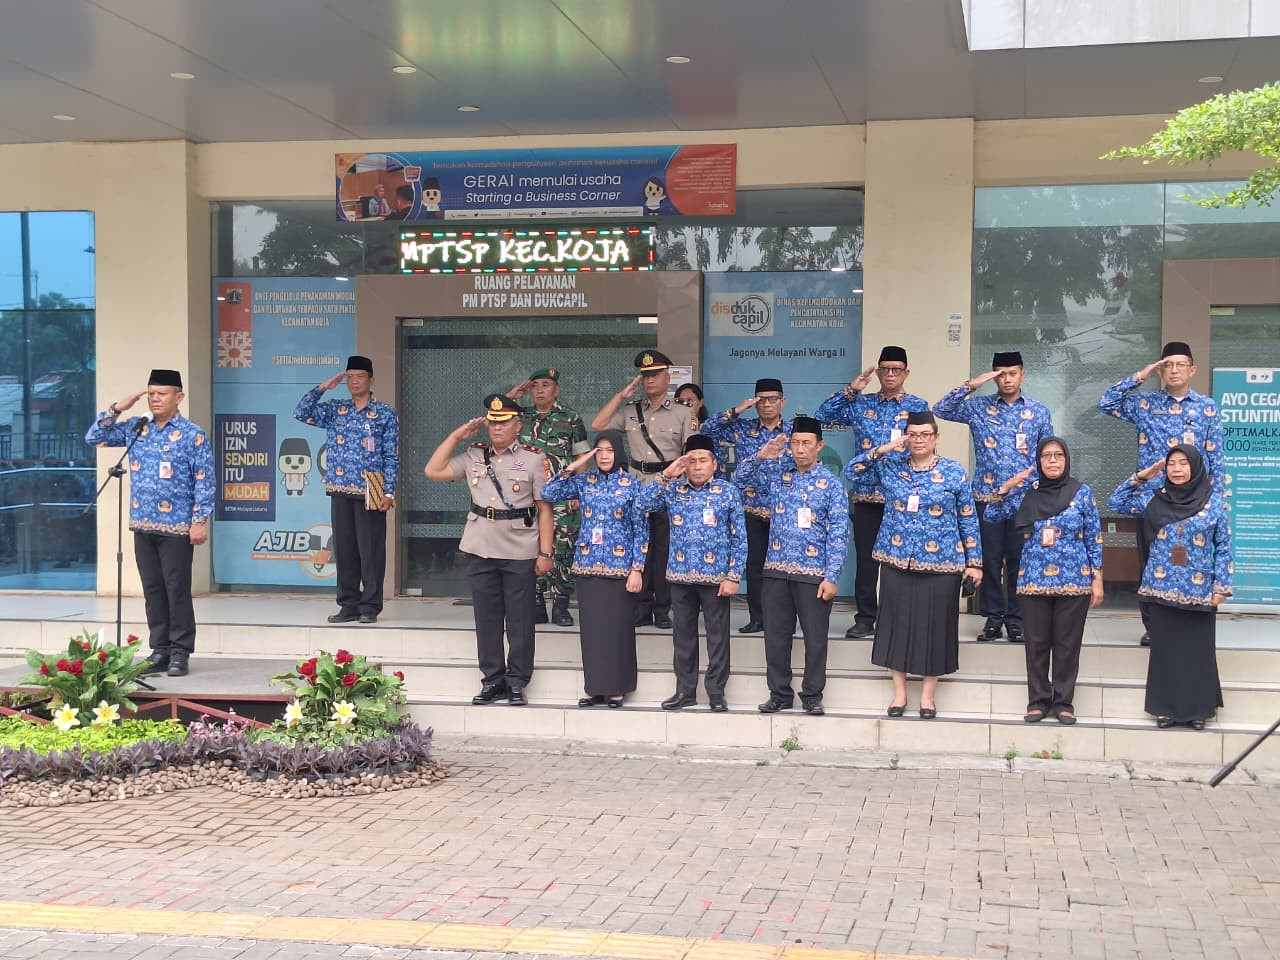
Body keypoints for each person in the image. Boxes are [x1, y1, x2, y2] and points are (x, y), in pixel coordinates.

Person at [845, 411, 982, 719]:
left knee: (936, 626)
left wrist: (975, 563)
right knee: (897, 624)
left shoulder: (953, 472)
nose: (918, 440)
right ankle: (899, 694)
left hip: (942, 563)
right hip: (897, 560)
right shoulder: (891, 468)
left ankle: (928, 696)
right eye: (912, 434)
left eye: (924, 434)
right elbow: (854, 471)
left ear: (935, 437)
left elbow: (968, 518)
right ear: (905, 437)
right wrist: (884, 449)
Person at [423, 394, 554, 707]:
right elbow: (433, 470)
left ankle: (517, 680)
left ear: (517, 425)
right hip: (480, 545)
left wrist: (546, 553)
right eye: (492, 422)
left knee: (520, 619)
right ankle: (492, 679)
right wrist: (457, 435)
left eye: (504, 422)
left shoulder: (534, 458)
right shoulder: (473, 455)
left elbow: (544, 509)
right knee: (487, 619)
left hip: (520, 547)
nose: (497, 427)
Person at [84, 369, 213, 677]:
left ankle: (180, 651)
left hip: (178, 527)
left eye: (163, 393)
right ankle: (160, 650)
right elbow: (94, 437)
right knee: (153, 589)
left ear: (178, 397)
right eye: (151, 393)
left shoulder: (193, 434)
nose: (155, 399)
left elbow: (205, 480)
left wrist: (199, 520)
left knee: (176, 589)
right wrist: (118, 408)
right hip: (142, 524)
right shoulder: (136, 428)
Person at [1098, 340, 1225, 646]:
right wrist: (1140, 376)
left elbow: (1216, 458)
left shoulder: (1206, 407)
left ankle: (1189, 617)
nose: (1174, 370)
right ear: (1160, 370)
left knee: (1193, 559)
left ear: (1192, 370)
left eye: (1181, 364)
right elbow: (1106, 402)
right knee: (1150, 564)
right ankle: (1154, 626)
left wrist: (1217, 501)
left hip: (1194, 503)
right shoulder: (1146, 404)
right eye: (1167, 365)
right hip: (1152, 500)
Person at [1108, 446, 1231, 730]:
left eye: (1183, 463)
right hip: (1159, 587)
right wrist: (1142, 476)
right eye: (1172, 464)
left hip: (1198, 588)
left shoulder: (1212, 502)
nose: (1176, 469)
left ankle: (1198, 710)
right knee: (1166, 650)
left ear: (1196, 467)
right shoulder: (1154, 498)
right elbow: (1116, 502)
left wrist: (1222, 585)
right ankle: (1166, 709)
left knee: (1197, 651)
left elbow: (1224, 545)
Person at [934, 351, 1054, 642]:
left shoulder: (1038, 411)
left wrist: (1044, 496)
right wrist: (973, 384)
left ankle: (1016, 619)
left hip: (1025, 500)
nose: (1007, 378)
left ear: (1023, 374)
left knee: (1018, 560)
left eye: (1012, 373)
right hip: (987, 497)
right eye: (1000, 373)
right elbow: (941, 409)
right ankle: (992, 618)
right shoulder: (978, 408)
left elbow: (1047, 453)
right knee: (988, 559)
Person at [733, 417, 849, 715]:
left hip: (813, 574)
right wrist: (761, 456)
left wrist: (832, 576)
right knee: (775, 637)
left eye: (806, 443)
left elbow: (838, 534)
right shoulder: (777, 476)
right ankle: (779, 694)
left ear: (819, 446)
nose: (800, 449)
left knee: (815, 639)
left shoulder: (832, 485)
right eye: (795, 443)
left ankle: (812, 695)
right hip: (776, 571)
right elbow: (739, 482)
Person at [817, 346, 929, 639]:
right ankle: (866, 617)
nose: (890, 374)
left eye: (896, 369)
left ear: (906, 373)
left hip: (902, 497)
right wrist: (850, 391)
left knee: (901, 560)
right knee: (866, 562)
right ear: (878, 372)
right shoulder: (860, 404)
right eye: (885, 369)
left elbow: (927, 448)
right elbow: (821, 416)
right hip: (866, 495)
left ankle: (898, 619)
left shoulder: (918, 406)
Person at [635, 435, 747, 711]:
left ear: (714, 463)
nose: (697, 466)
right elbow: (641, 504)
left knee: (717, 636)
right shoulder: (673, 491)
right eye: (692, 461)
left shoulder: (727, 492)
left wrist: (734, 576)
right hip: (680, 575)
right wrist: (666, 474)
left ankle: (716, 692)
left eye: (703, 460)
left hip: (716, 578)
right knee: (683, 635)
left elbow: (740, 538)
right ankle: (685, 690)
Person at [541, 430, 647, 707]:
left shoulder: (631, 485)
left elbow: (642, 530)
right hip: (587, 565)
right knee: (593, 630)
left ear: (619, 453)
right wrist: (574, 466)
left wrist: (637, 569)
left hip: (620, 567)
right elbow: (547, 492)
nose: (604, 455)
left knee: (617, 629)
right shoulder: (584, 481)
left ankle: (616, 688)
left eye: (609, 450)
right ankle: (594, 687)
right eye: (598, 450)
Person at [1002, 438, 1104, 725]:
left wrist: (1098, 578)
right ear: (1039, 461)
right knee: (1036, 643)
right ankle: (1037, 701)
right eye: (1046, 456)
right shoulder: (1028, 492)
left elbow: (1095, 538)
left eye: (1058, 455)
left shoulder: (1082, 493)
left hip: (1074, 580)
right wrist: (1009, 486)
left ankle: (1063, 702)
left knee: (1067, 645)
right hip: (1033, 580)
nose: (1053, 461)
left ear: (1067, 459)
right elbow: (995, 513)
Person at [591, 350, 695, 628]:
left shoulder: (683, 413)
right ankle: (641, 607)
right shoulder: (630, 411)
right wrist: (621, 396)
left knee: (663, 549)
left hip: (669, 487)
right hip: (636, 486)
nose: (649, 380)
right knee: (639, 548)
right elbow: (598, 424)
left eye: (655, 375)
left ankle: (662, 609)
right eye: (645, 376)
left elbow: (692, 453)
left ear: (667, 377)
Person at [294, 356, 400, 625]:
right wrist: (322, 388)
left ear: (371, 380)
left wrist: (389, 492)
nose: (354, 381)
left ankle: (370, 606)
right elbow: (301, 412)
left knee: (371, 550)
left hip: (371, 489)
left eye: (360, 376)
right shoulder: (335, 409)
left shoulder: (385, 413)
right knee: (345, 550)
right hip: (340, 488)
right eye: (350, 377)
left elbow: (392, 455)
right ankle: (348, 604)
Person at [699, 378, 791, 634]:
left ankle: (783, 619)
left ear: (783, 401)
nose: (767, 404)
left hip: (784, 510)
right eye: (761, 399)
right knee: (754, 566)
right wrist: (737, 410)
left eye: (773, 399)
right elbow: (706, 430)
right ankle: (758, 618)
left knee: (783, 567)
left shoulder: (794, 431)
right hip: (749, 507)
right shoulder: (743, 428)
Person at [507, 368, 590, 626]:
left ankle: (561, 606)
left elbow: (581, 458)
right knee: (532, 547)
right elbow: (493, 419)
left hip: (563, 493)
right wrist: (512, 396)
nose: (540, 390)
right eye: (535, 386)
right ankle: (537, 603)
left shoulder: (571, 418)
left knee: (564, 548)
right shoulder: (520, 417)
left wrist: (579, 491)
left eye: (546, 385)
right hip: (529, 495)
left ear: (557, 390)